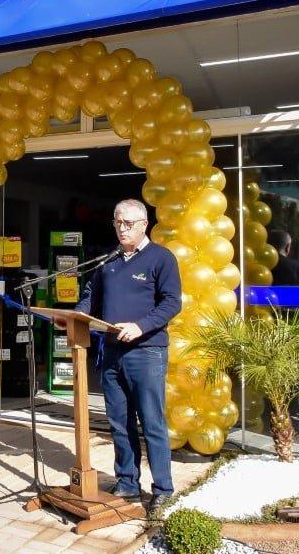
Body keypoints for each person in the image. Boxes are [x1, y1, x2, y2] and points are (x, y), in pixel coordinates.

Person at [73, 199, 181, 515]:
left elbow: (172, 302)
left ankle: (163, 489)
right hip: (111, 351)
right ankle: (128, 482)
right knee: (119, 422)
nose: (122, 228)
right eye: (118, 222)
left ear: (144, 224)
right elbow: (91, 297)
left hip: (146, 352)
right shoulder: (109, 260)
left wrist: (140, 326)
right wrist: (75, 316)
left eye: (128, 223)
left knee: (151, 422)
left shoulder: (161, 258)